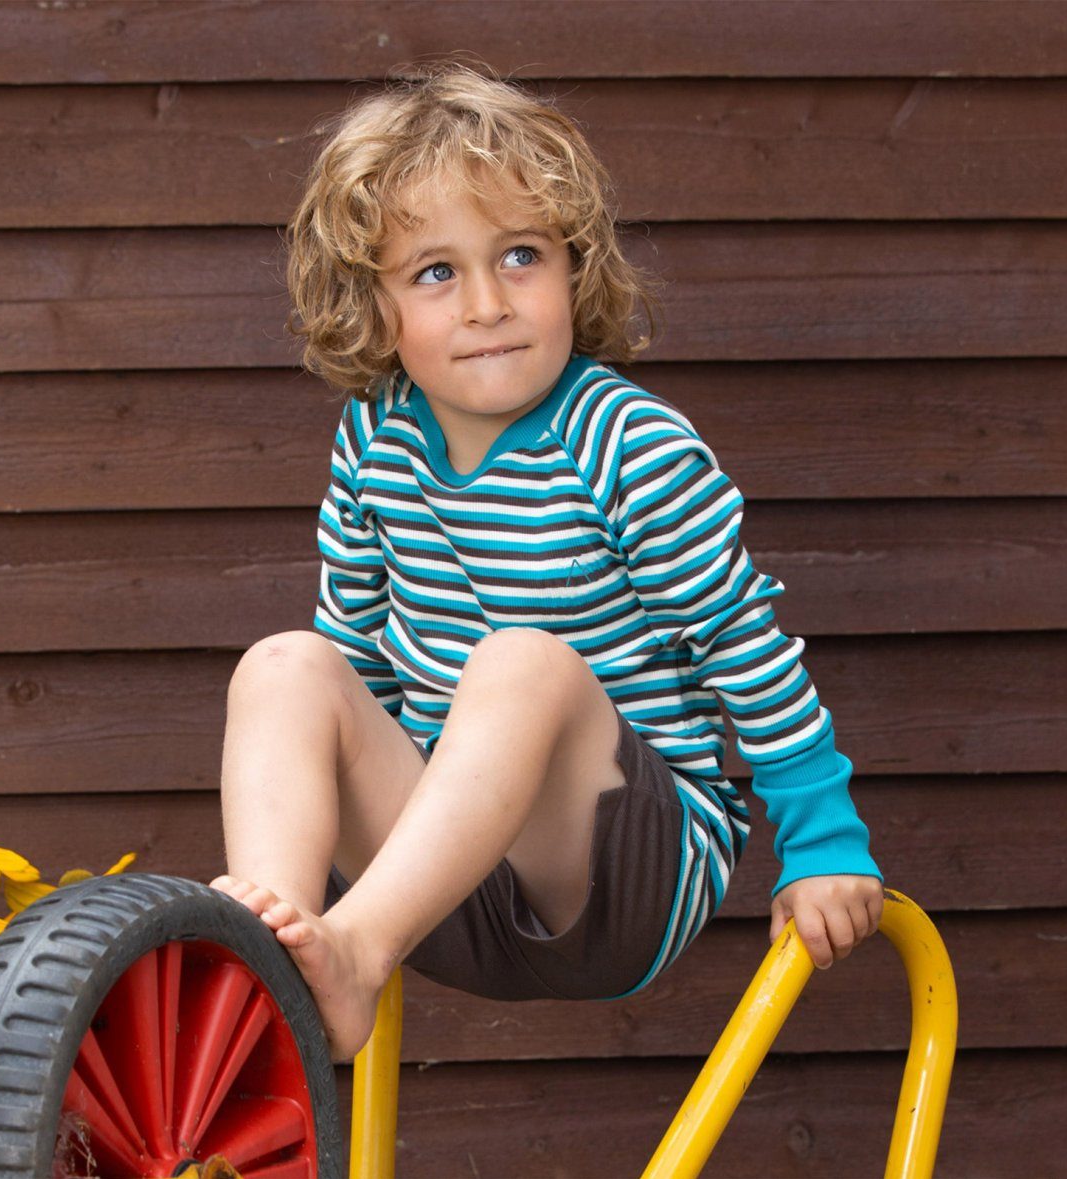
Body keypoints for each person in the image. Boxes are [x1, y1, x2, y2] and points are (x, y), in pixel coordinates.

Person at [210, 62, 883, 1062]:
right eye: (435, 272)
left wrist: (823, 840)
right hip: (438, 882)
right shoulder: (374, 433)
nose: (486, 302)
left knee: (519, 659)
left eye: (519, 255)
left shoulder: (627, 441)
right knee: (287, 665)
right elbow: (358, 659)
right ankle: (280, 957)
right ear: (375, 304)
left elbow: (744, 641)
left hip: (620, 876)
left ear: (574, 267)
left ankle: (348, 952)